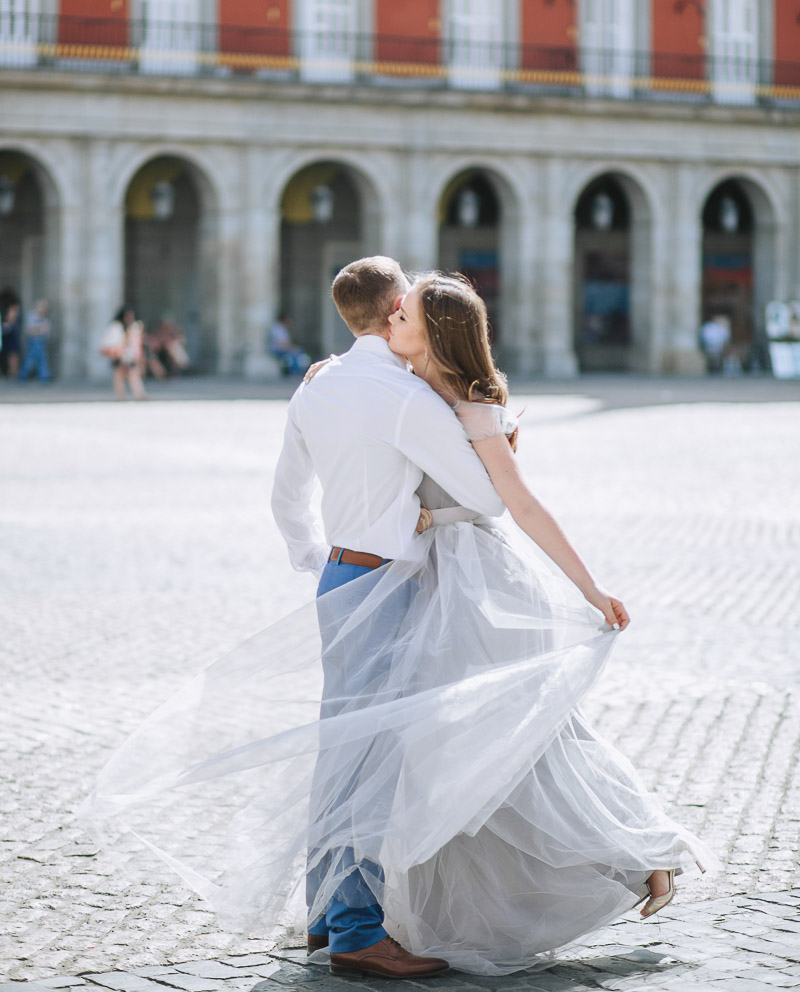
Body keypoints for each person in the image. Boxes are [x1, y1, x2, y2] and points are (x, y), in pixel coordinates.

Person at [82, 260, 711, 979]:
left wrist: (321, 555)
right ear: (391, 317)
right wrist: (429, 512)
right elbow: (489, 493)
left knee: (350, 749)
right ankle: (352, 930)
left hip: (344, 577)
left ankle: (331, 916)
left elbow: (287, 493)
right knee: (382, 757)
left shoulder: (318, 385)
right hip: (393, 579)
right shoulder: (405, 397)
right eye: (404, 303)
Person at [100, 307, 147, 401]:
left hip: (129, 356)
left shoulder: (132, 327)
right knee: (119, 375)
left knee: (133, 374)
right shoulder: (115, 328)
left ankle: (139, 395)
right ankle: (121, 396)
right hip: (118, 355)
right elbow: (111, 343)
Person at [18, 299, 52, 382]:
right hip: (34, 341)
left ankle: (44, 376)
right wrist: (40, 328)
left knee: (42, 359)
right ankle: (23, 375)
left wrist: (40, 329)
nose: (44, 311)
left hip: (41, 341)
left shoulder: (44, 318)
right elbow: (30, 330)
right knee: (31, 360)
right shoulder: (32, 316)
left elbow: (46, 331)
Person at [1, 296, 22, 378]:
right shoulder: (11, 317)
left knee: (13, 357)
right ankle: (12, 372)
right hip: (10, 340)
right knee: (11, 357)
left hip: (13, 340)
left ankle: (13, 372)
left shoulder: (15, 318)